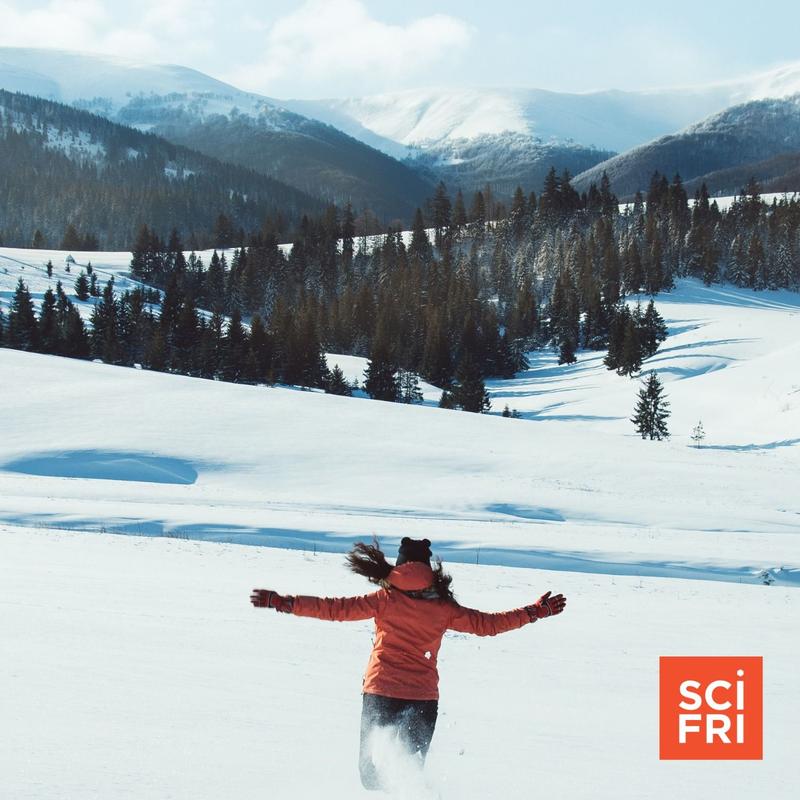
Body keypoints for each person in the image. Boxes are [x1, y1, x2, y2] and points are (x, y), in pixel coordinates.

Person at [250, 537, 567, 790]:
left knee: (371, 776)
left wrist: (285, 603)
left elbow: (334, 609)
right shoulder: (443, 607)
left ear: (399, 567)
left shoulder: (384, 600)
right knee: (407, 776)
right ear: (429, 570)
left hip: (381, 694)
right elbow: (489, 625)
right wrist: (534, 612)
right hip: (422, 699)